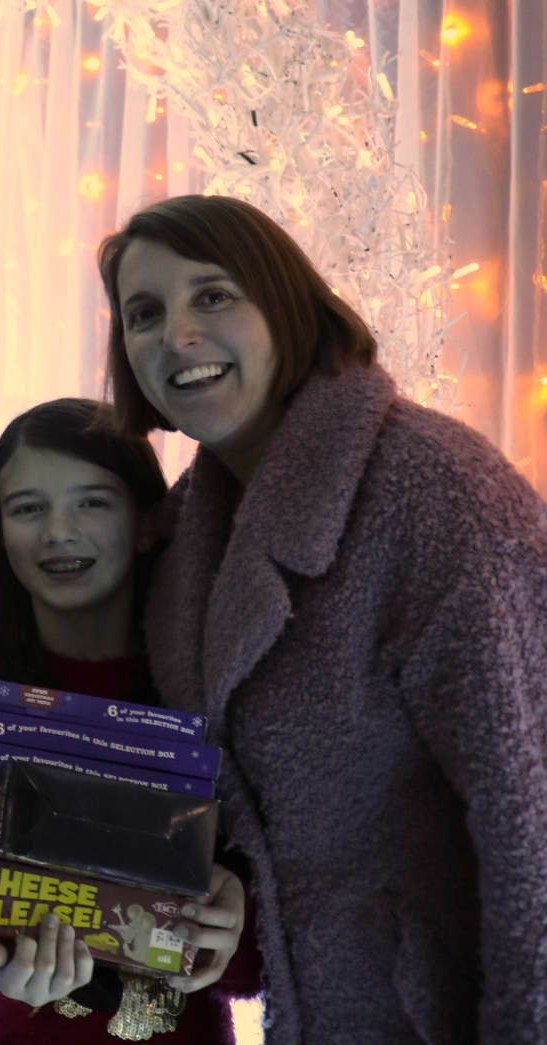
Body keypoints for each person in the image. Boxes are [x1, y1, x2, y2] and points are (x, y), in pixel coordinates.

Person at [98, 193, 547, 1043]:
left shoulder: (437, 497)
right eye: (144, 313)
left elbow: (532, 819)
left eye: (214, 295)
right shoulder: (189, 536)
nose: (177, 334)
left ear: (287, 302)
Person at [0, 398, 250, 1042]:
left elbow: (267, 953)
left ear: (146, 520)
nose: (59, 531)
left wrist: (238, 927)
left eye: (93, 502)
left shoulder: (213, 692)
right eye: (27, 507)